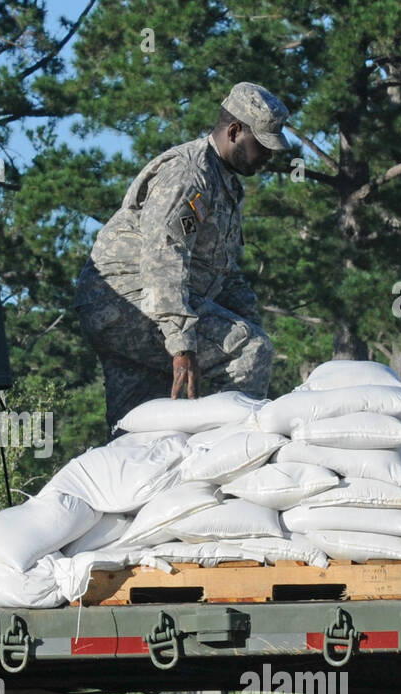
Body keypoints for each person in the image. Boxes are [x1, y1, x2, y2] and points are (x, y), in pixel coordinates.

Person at [73, 81, 290, 432]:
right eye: (262, 145)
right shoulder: (190, 175)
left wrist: (250, 320)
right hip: (126, 301)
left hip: (138, 307)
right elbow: (164, 256)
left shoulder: (224, 184)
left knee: (143, 422)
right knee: (250, 351)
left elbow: (226, 273)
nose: (269, 155)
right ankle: (231, 452)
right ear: (235, 131)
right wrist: (181, 342)